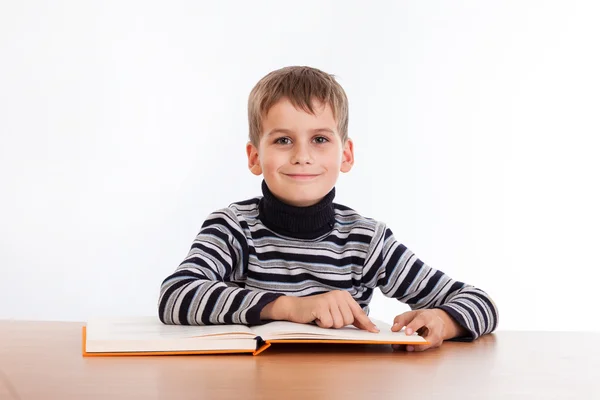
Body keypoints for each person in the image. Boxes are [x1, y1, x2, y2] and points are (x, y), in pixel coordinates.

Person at [158, 66, 498, 352]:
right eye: (283, 140)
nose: (302, 156)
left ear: (345, 155)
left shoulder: (366, 241)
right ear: (254, 157)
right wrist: (289, 307)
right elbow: (176, 296)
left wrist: (444, 319)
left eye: (320, 139)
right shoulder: (232, 228)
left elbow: (480, 302)